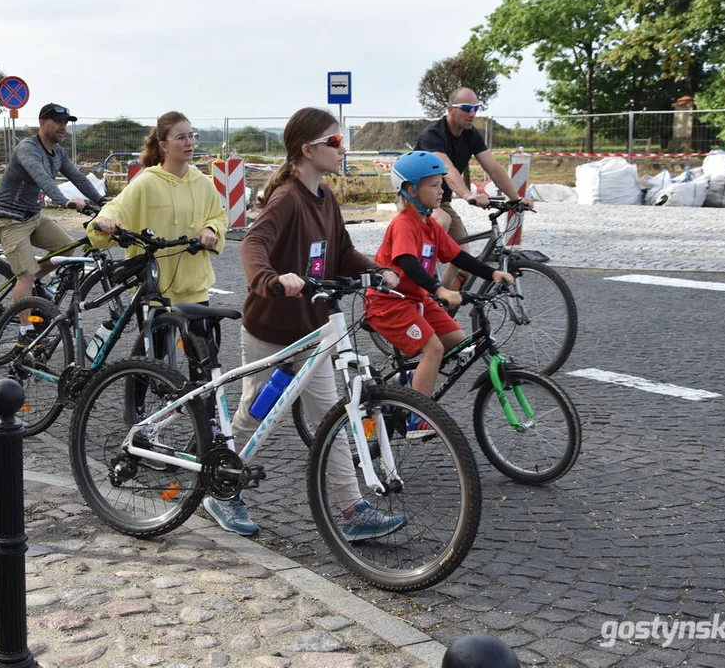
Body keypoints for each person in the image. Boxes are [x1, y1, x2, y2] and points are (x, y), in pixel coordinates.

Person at [205, 106, 403, 540]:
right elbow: (254, 242)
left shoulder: (325, 198)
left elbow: (343, 252)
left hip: (315, 332)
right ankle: (220, 492)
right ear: (307, 149)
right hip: (272, 328)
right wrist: (270, 280)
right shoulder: (288, 197)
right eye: (334, 141)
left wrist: (376, 270)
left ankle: (352, 510)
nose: (343, 147)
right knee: (256, 413)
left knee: (333, 415)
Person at [365, 151, 512, 412]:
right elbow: (408, 263)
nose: (441, 190)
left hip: (417, 300)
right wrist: (439, 289)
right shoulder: (404, 224)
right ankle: (418, 417)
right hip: (389, 304)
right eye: (433, 185)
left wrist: (492, 274)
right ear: (411, 189)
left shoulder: (430, 225)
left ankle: (408, 384)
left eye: (441, 184)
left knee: (458, 342)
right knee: (433, 350)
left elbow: (457, 256)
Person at [0, 102, 104, 344]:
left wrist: (102, 200)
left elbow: (77, 177)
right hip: (9, 219)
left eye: (66, 123)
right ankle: (25, 333)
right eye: (58, 122)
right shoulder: (27, 148)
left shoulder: (58, 152)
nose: (63, 127)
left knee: (67, 247)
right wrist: (64, 201)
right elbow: (41, 176)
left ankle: (34, 283)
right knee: (26, 274)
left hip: (33, 216)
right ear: (43, 123)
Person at [88, 111, 227, 305]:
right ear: (164, 146)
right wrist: (106, 220)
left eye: (192, 135)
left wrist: (211, 228)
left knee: (202, 336)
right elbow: (115, 208)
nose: (189, 142)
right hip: (153, 289)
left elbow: (218, 217)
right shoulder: (146, 182)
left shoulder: (204, 183)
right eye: (181, 138)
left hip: (195, 289)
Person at [415, 86, 531, 288]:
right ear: (451, 109)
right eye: (467, 108)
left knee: (463, 261)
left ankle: (441, 300)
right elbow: (447, 170)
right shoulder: (433, 134)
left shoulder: (471, 134)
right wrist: (469, 195)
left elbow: (493, 168)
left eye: (476, 108)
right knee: (441, 219)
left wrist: (515, 198)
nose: (472, 113)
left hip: (440, 199)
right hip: (416, 197)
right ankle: (421, 283)